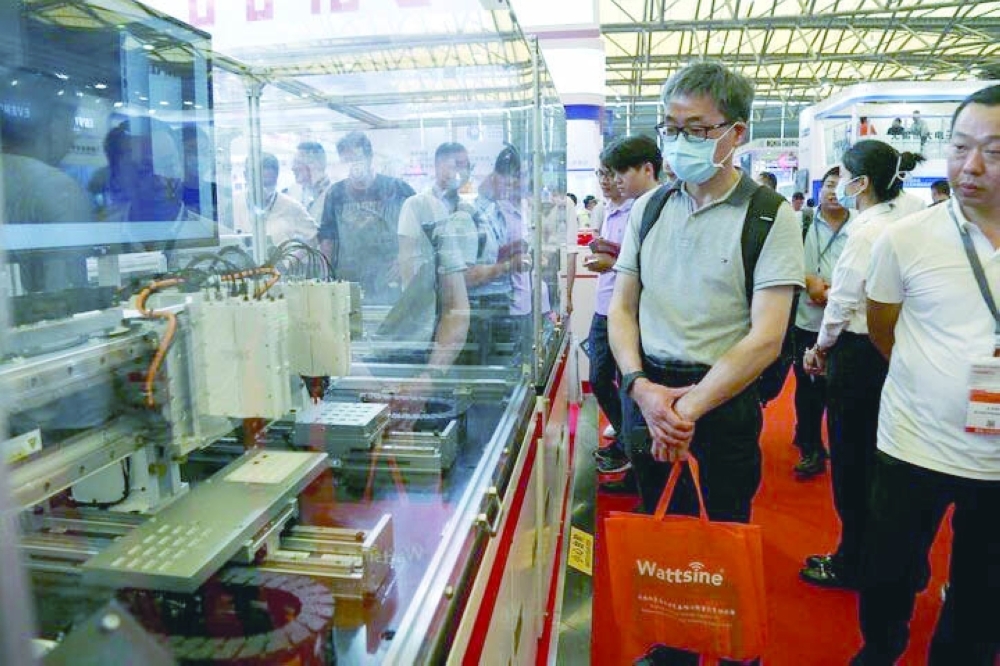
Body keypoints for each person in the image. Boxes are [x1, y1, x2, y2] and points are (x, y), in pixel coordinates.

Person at [608, 62, 804, 666]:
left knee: (720, 533)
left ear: (735, 133)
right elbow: (621, 308)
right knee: (660, 526)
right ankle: (670, 645)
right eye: (670, 127)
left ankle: (729, 646)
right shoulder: (651, 209)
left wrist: (686, 408)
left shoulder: (770, 215)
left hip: (719, 398)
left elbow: (767, 337)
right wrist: (641, 389)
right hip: (649, 393)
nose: (678, 142)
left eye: (696, 129)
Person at [853, 84, 1000, 666]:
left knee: (984, 594)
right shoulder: (905, 238)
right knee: (887, 574)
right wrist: (930, 383)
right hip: (913, 444)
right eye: (960, 146)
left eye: (995, 150)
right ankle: (880, 649)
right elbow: (882, 326)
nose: (972, 166)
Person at [799, 141, 922, 589]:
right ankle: (897, 558)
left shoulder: (866, 232)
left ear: (861, 182)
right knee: (890, 459)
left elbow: (844, 300)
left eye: (844, 176)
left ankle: (853, 560)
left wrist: (820, 348)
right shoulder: (912, 212)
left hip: (859, 352)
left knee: (852, 465)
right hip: (901, 348)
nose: (838, 186)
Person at [587, 137, 658, 482]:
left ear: (647, 169)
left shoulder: (655, 209)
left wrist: (612, 262)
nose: (611, 180)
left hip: (639, 316)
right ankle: (630, 449)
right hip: (611, 309)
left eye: (617, 173)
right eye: (604, 174)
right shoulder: (615, 209)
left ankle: (635, 462)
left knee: (633, 390)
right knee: (604, 379)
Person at [790, 167, 853, 479]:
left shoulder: (862, 227)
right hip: (807, 320)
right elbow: (783, 261)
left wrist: (833, 294)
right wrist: (808, 280)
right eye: (829, 184)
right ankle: (811, 447)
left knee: (840, 389)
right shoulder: (799, 221)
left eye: (841, 185)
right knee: (808, 387)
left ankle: (833, 444)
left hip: (846, 323)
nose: (833, 190)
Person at [392, 142, 473, 368]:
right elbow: (408, 265)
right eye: (457, 164)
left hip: (460, 315)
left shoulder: (466, 210)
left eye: (467, 166)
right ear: (438, 166)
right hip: (430, 320)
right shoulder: (417, 206)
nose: (463, 171)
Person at [318, 131, 415, 304]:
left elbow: (419, 231)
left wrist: (405, 259)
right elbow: (327, 239)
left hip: (390, 281)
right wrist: (325, 280)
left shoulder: (397, 189)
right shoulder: (335, 194)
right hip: (350, 282)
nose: (353, 165)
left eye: (357, 157)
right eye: (346, 160)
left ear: (369, 157)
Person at [237, 152, 317, 248]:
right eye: (259, 184)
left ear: (277, 178)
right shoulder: (233, 204)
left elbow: (314, 236)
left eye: (268, 184)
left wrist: (292, 259)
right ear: (246, 176)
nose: (264, 190)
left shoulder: (290, 206)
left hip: (278, 262)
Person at [291, 141, 332, 222]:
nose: (292, 168)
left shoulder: (335, 194)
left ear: (314, 165)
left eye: (298, 162)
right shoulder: (291, 192)